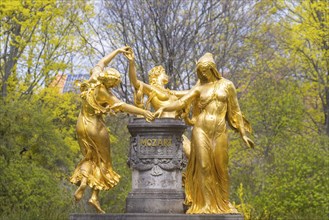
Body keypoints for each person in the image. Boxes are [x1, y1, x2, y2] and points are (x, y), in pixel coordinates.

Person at [155, 52, 254, 214]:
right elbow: (182, 101)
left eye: (205, 71)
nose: (202, 75)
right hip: (201, 130)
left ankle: (224, 203)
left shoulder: (227, 85)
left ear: (213, 69)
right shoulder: (199, 88)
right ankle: (206, 204)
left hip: (219, 131)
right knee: (203, 166)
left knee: (221, 167)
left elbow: (235, 112)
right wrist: (164, 107)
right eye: (200, 72)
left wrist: (243, 134)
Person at [70, 47, 154, 213]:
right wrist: (144, 111)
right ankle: (94, 195)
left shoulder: (93, 78)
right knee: (103, 161)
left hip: (81, 125)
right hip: (96, 128)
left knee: (89, 157)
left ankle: (85, 182)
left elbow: (101, 62)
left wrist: (117, 51)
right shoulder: (105, 94)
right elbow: (124, 106)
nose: (114, 87)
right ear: (110, 83)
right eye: (115, 84)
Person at [124, 47, 191, 157]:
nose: (166, 75)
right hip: (163, 125)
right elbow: (134, 81)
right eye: (163, 72)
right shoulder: (151, 89)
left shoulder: (170, 92)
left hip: (176, 126)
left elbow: (191, 93)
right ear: (156, 75)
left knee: (192, 153)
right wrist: (131, 62)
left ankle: (187, 175)